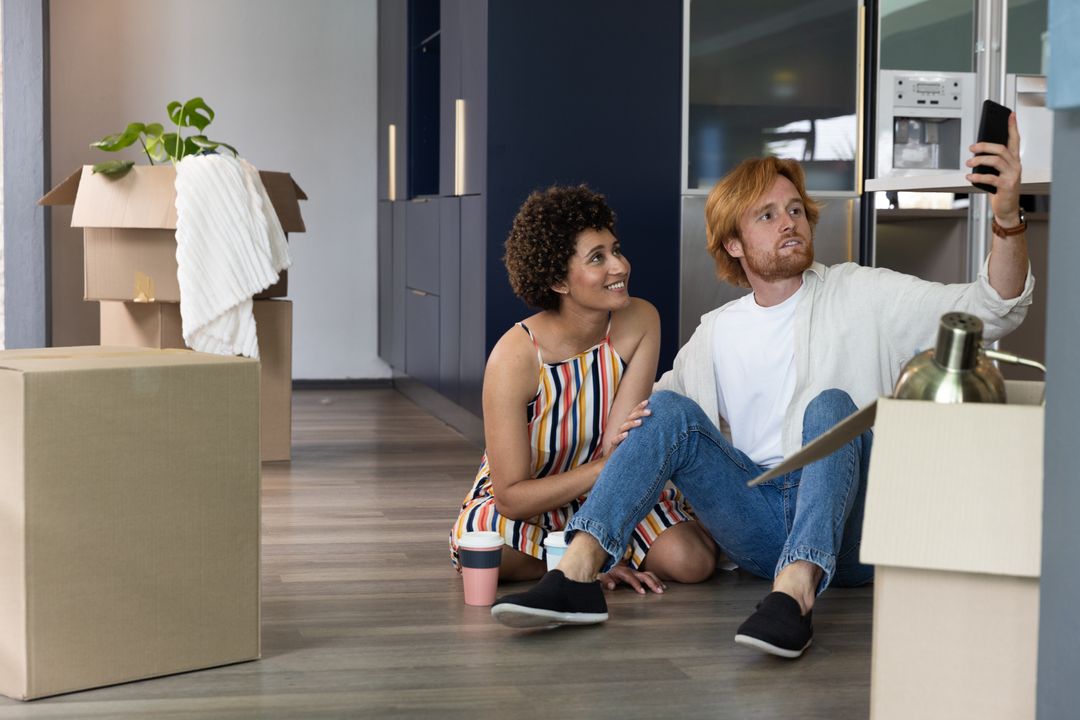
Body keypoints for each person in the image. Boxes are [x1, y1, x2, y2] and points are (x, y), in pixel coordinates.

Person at [490, 116, 1034, 656]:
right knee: (669, 407)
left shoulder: (862, 292)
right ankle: (578, 573)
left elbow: (993, 307)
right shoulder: (717, 331)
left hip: (850, 530)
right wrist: (640, 431)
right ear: (732, 244)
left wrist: (1006, 216)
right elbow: (659, 431)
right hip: (759, 524)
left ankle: (795, 592)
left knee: (831, 406)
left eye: (795, 209)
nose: (789, 223)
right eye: (768, 215)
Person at [449, 184, 717, 594]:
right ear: (558, 280)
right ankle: (584, 561)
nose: (620, 266)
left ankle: (582, 554)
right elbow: (512, 498)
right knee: (484, 550)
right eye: (598, 258)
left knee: (692, 561)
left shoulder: (641, 320)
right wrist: (599, 473)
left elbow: (620, 447)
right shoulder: (514, 357)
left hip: (608, 488)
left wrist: (606, 491)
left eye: (616, 249)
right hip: (532, 501)